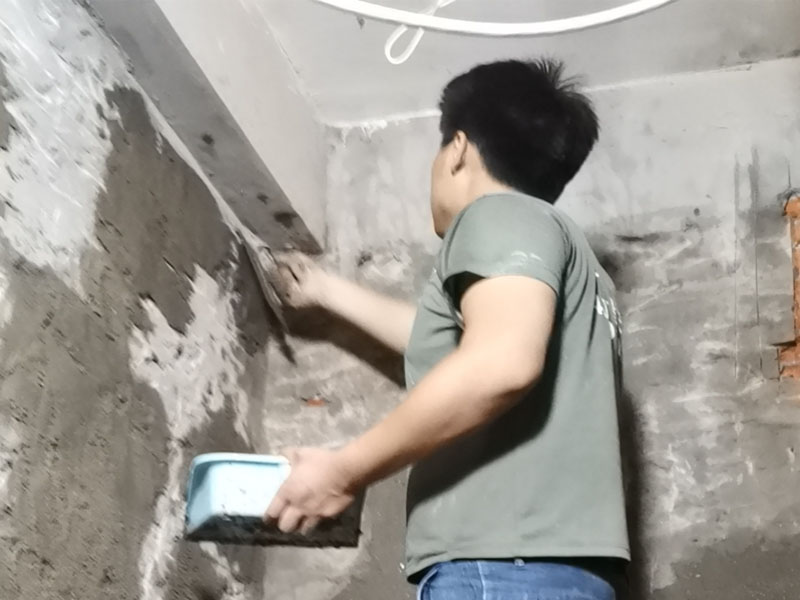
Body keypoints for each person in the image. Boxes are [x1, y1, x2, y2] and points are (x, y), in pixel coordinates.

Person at [265, 58, 629, 600]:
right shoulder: (573, 262)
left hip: (502, 569)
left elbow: (500, 363)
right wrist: (325, 290)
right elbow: (456, 340)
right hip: (562, 572)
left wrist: (343, 472)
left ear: (457, 149)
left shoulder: (496, 215)